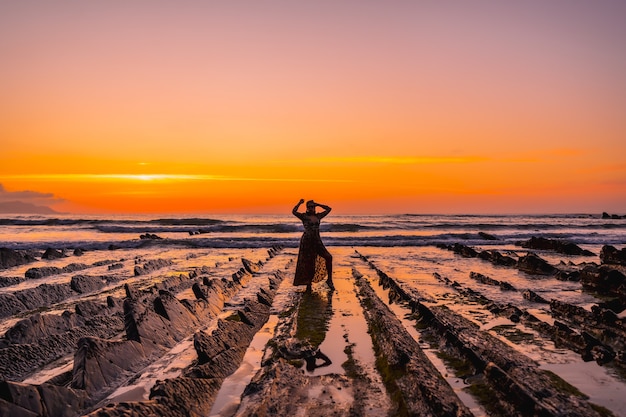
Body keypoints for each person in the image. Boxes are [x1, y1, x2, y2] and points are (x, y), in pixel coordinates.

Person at [292, 199, 334, 291]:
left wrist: (318, 204)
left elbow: (329, 209)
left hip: (317, 240)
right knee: (309, 263)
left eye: (313, 206)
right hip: (307, 241)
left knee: (329, 257)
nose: (311, 208)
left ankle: (329, 280)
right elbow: (294, 211)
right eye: (309, 207)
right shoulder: (304, 216)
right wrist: (299, 203)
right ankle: (308, 285)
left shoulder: (318, 216)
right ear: (307, 208)